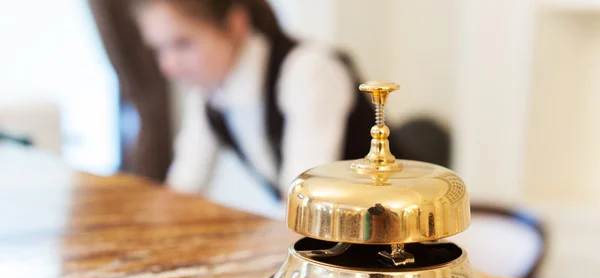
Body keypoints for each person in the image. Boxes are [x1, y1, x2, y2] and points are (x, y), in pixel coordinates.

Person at [93, 0, 450, 219]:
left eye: (182, 44)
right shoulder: (210, 93)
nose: (168, 67)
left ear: (235, 23)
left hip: (391, 238)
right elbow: (182, 192)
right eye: (158, 50)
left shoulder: (308, 70)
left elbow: (302, 204)